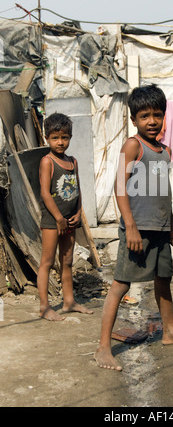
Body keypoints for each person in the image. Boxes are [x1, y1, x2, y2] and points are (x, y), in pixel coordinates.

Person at [94, 84, 173, 371]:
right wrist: (130, 226)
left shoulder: (164, 150)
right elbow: (120, 186)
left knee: (163, 279)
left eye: (157, 115)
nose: (152, 121)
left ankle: (170, 332)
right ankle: (103, 347)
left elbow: (162, 192)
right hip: (138, 230)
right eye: (145, 116)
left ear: (164, 117)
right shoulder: (133, 146)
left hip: (160, 229)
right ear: (134, 120)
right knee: (121, 284)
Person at [37, 113, 93, 321]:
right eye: (55, 138)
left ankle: (69, 301)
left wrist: (78, 213)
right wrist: (59, 217)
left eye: (65, 137)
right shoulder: (47, 162)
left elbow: (78, 190)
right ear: (47, 138)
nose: (60, 142)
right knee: (48, 261)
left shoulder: (73, 161)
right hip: (53, 221)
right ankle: (44, 307)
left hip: (69, 219)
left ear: (70, 137)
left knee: (67, 260)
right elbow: (44, 192)